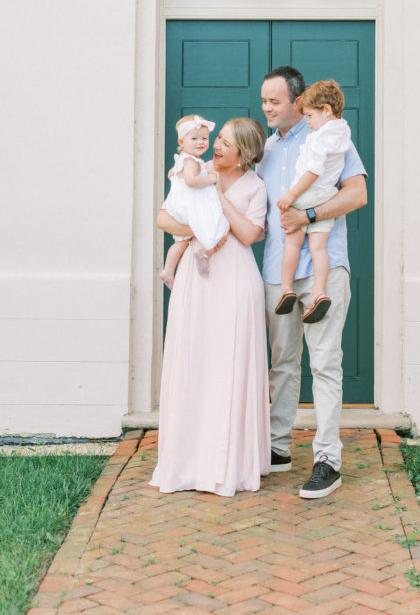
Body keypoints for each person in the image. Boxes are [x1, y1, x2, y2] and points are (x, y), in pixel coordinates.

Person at [259, 66, 367, 500]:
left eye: (274, 101)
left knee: (325, 363)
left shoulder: (330, 136)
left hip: (324, 264)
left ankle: (327, 460)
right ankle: (278, 449)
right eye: (264, 101)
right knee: (281, 363)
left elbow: (357, 194)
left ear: (299, 103)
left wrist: (307, 216)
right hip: (277, 271)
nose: (267, 108)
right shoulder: (264, 149)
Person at [150, 118, 270, 496]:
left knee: (229, 364)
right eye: (217, 139)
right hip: (196, 281)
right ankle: (187, 463)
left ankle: (229, 464)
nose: (215, 146)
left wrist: (217, 199)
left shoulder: (254, 187)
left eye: (226, 144)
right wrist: (201, 226)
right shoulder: (193, 170)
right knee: (193, 359)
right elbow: (164, 219)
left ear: (244, 155)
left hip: (235, 280)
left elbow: (250, 234)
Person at [275, 80, 352, 324]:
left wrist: (291, 194)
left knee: (292, 244)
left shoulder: (320, 137)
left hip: (308, 193)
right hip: (326, 196)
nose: (308, 122)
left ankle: (286, 288)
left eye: (309, 116)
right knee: (319, 248)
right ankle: (319, 292)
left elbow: (313, 171)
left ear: (326, 110)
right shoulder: (343, 132)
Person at [158, 114, 228, 284]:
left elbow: (172, 174)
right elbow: (191, 181)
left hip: (178, 205)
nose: (200, 142)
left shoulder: (184, 159)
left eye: (204, 138)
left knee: (181, 242)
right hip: (187, 206)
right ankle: (204, 252)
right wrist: (211, 179)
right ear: (181, 142)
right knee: (221, 227)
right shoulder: (191, 161)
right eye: (194, 138)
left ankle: (168, 271)